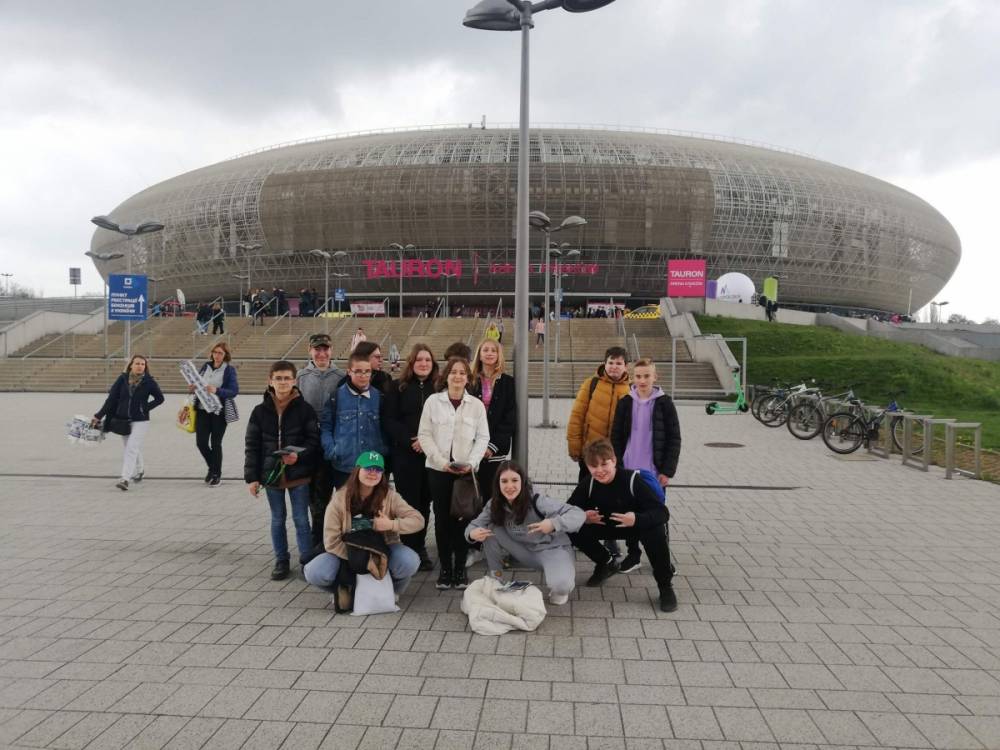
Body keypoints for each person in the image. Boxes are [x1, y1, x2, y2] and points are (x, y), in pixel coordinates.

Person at [567, 438, 677, 612]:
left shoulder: (633, 480)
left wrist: (637, 519)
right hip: (606, 525)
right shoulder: (588, 483)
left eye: (604, 464)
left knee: (656, 531)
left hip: (636, 526)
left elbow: (662, 513)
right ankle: (606, 562)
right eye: (594, 466)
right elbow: (568, 511)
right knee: (571, 527)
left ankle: (665, 587)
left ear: (614, 461)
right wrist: (583, 517)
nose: (600, 470)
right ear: (587, 467)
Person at [304, 451, 423, 599]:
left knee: (410, 561)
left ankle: (392, 591)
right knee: (314, 572)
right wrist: (361, 559)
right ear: (357, 470)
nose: (373, 473)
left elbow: (418, 520)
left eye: (378, 469)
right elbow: (331, 541)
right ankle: (342, 591)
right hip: (346, 552)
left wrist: (391, 524)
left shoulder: (390, 496)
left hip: (383, 550)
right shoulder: (339, 499)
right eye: (368, 468)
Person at [466, 461, 585, 605]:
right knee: (489, 529)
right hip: (524, 550)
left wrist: (553, 524)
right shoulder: (494, 503)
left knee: (562, 586)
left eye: (514, 480)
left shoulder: (538, 500)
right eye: (504, 481)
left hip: (552, 550)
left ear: (522, 481)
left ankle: (558, 586)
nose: (509, 486)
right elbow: (474, 525)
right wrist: (472, 533)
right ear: (498, 484)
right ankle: (496, 578)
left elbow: (578, 514)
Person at [417, 357, 490, 590]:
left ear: (468, 378)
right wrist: (441, 462)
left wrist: (472, 463)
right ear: (446, 376)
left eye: (462, 373)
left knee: (462, 519)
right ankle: (445, 569)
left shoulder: (476, 405)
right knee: (441, 520)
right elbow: (424, 435)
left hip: (464, 473)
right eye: (453, 372)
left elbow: (483, 437)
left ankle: (460, 568)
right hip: (438, 471)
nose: (457, 376)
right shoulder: (433, 402)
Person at [245, 360, 320, 581]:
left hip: (298, 474)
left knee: (301, 519)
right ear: (270, 381)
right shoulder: (259, 411)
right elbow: (252, 446)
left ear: (294, 381)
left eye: (287, 378)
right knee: (277, 519)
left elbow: (313, 441)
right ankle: (281, 559)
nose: (283, 382)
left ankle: (307, 560)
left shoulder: (305, 410)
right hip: (271, 475)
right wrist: (252, 478)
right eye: (278, 378)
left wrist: (299, 455)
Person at [609, 359, 681, 572]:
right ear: (633, 377)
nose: (642, 380)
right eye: (638, 376)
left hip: (654, 473)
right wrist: (618, 466)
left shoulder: (665, 403)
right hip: (628, 471)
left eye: (647, 376)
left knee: (657, 516)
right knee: (629, 514)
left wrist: (667, 471)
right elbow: (616, 437)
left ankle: (663, 560)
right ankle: (633, 555)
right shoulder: (625, 402)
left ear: (655, 377)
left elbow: (674, 438)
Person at [383, 344, 438, 571]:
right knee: (408, 504)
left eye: (427, 360)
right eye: (419, 360)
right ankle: (408, 547)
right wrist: (410, 440)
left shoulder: (440, 388)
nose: (423, 364)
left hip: (431, 455)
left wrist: (426, 442)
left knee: (425, 502)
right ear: (411, 363)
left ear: (433, 364)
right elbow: (389, 420)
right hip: (406, 455)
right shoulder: (397, 387)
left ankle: (420, 546)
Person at [297, 333, 348, 548]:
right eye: (317, 349)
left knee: (336, 494)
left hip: (334, 443)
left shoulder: (341, 376)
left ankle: (334, 535)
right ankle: (317, 538)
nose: (321, 354)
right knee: (315, 497)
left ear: (331, 350)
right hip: (309, 445)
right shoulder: (301, 376)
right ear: (310, 350)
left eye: (325, 349)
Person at [92, 354, 165, 491]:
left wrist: (145, 408)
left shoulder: (149, 382)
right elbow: (111, 399)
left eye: (142, 364)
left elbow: (160, 398)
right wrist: (98, 415)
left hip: (141, 420)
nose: (140, 366)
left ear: (145, 367)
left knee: (131, 447)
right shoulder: (122, 379)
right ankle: (140, 469)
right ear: (131, 365)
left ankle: (125, 479)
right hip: (123, 420)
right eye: (137, 363)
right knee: (130, 447)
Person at [321, 350, 388, 490]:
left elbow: (385, 428)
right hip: (344, 465)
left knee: (371, 503)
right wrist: (332, 450)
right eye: (358, 371)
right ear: (349, 372)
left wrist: (383, 450)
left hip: (372, 466)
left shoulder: (379, 398)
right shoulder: (336, 397)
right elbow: (326, 427)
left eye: (367, 371)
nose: (363, 376)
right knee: (345, 503)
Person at [469, 338, 516, 508]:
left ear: (498, 355)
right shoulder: (469, 380)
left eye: (493, 350)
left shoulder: (508, 382)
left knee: (493, 500)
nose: (489, 353)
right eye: (485, 350)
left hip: (494, 451)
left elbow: (510, 418)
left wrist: (491, 446)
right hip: (470, 449)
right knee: (470, 499)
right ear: (479, 355)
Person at [190, 341, 240, 487]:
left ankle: (216, 474)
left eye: (220, 353)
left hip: (219, 411)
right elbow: (198, 383)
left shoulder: (229, 370)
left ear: (225, 355)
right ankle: (213, 468)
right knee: (201, 443)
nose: (217, 355)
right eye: (215, 352)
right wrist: (193, 388)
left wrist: (217, 390)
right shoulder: (206, 366)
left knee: (216, 443)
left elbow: (234, 391)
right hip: (202, 409)